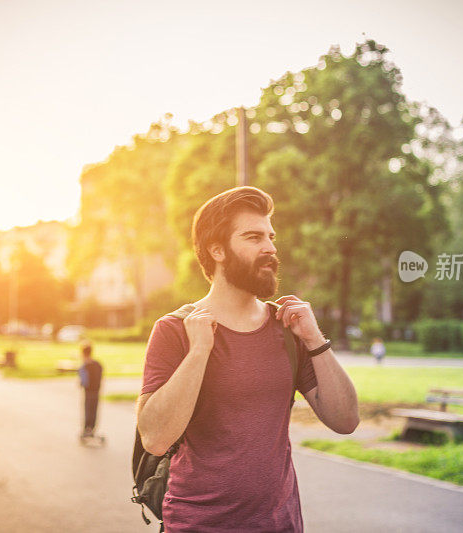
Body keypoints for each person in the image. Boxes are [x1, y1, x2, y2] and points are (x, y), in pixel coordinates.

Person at [136, 186, 359, 532]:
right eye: (253, 237)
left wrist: (315, 340)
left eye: (270, 237)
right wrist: (198, 353)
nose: (270, 248)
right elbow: (155, 438)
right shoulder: (175, 330)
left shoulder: (288, 329)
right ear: (217, 250)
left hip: (280, 525)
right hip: (197, 525)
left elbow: (345, 420)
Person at [77, 342, 103, 440]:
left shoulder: (84, 366)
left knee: (88, 410)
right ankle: (92, 428)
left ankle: (87, 429)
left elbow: (83, 382)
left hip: (88, 392)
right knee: (94, 410)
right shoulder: (98, 364)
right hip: (96, 391)